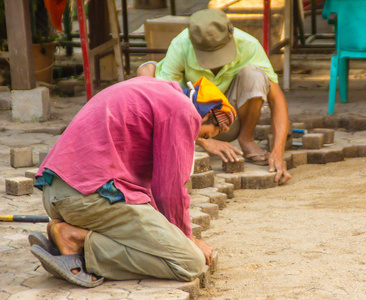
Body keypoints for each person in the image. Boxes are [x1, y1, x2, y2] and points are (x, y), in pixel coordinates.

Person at [28, 76, 236, 288]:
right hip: (90, 197)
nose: (202, 140)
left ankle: (71, 230)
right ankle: (76, 240)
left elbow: (150, 189)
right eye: (209, 134)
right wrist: (187, 239)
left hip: (56, 194)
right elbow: (170, 189)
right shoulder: (184, 109)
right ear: (209, 113)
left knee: (153, 239)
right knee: (190, 262)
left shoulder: (152, 88)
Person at [137, 8, 292, 185]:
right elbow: (162, 103)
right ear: (192, 41)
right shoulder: (180, 45)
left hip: (230, 120)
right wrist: (204, 142)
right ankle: (178, 145)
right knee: (146, 72)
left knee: (254, 75)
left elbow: (277, 99)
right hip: (191, 125)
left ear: (231, 36)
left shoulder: (248, 45)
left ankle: (246, 139)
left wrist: (278, 152)